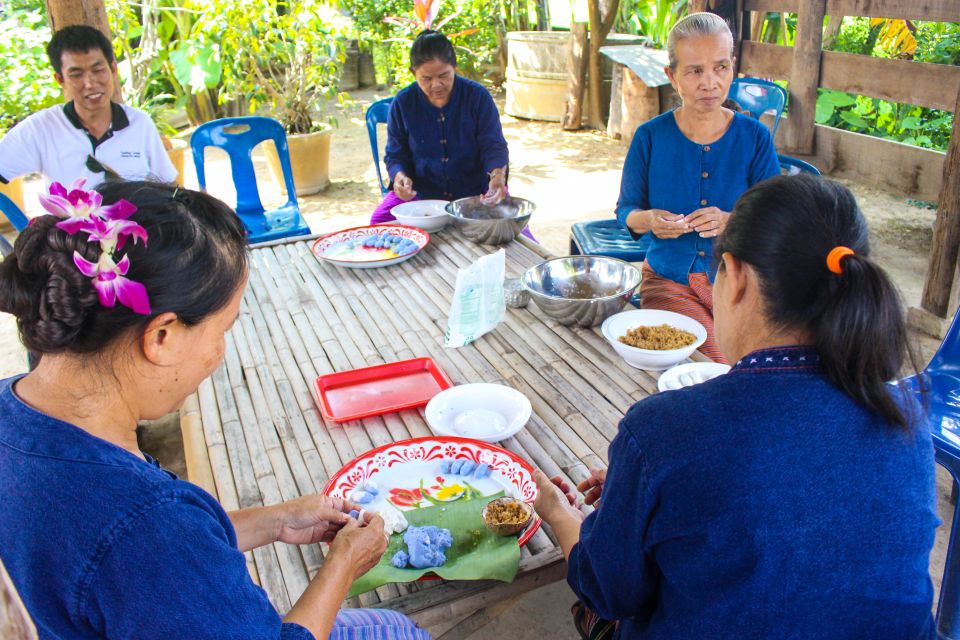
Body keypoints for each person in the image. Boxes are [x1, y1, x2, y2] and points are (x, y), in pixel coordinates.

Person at [0, 180, 430, 640]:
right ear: (162, 335)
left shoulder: (16, 407)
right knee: (399, 630)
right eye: (223, 327)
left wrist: (277, 520)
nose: (221, 351)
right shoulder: (149, 525)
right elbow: (153, 546)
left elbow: (144, 564)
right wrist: (344, 563)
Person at [535, 174, 939, 639]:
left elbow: (608, 591)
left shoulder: (665, 431)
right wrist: (646, 488)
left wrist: (559, 515)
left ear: (737, 276)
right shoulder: (906, 416)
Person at [615, 12, 780, 363]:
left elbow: (776, 217)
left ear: (733, 67)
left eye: (720, 67)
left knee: (762, 365)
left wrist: (731, 220)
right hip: (669, 280)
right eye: (694, 71)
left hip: (740, 286)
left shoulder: (754, 138)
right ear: (671, 76)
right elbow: (626, 210)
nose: (710, 82)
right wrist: (649, 220)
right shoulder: (650, 137)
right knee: (718, 363)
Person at [0, 25, 177, 189]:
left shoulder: (139, 124)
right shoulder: (40, 129)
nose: (90, 83)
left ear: (113, 70)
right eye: (76, 74)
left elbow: (171, 186)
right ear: (60, 80)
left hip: (135, 221)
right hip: (67, 223)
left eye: (98, 70)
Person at [371, 30, 510, 224]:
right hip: (421, 196)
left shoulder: (477, 97)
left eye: (444, 75)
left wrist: (497, 176)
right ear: (413, 73)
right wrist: (400, 177)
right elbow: (395, 154)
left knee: (516, 236)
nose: (436, 85)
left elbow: (493, 145)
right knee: (379, 223)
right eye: (426, 79)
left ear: (454, 67)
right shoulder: (403, 103)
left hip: (475, 191)